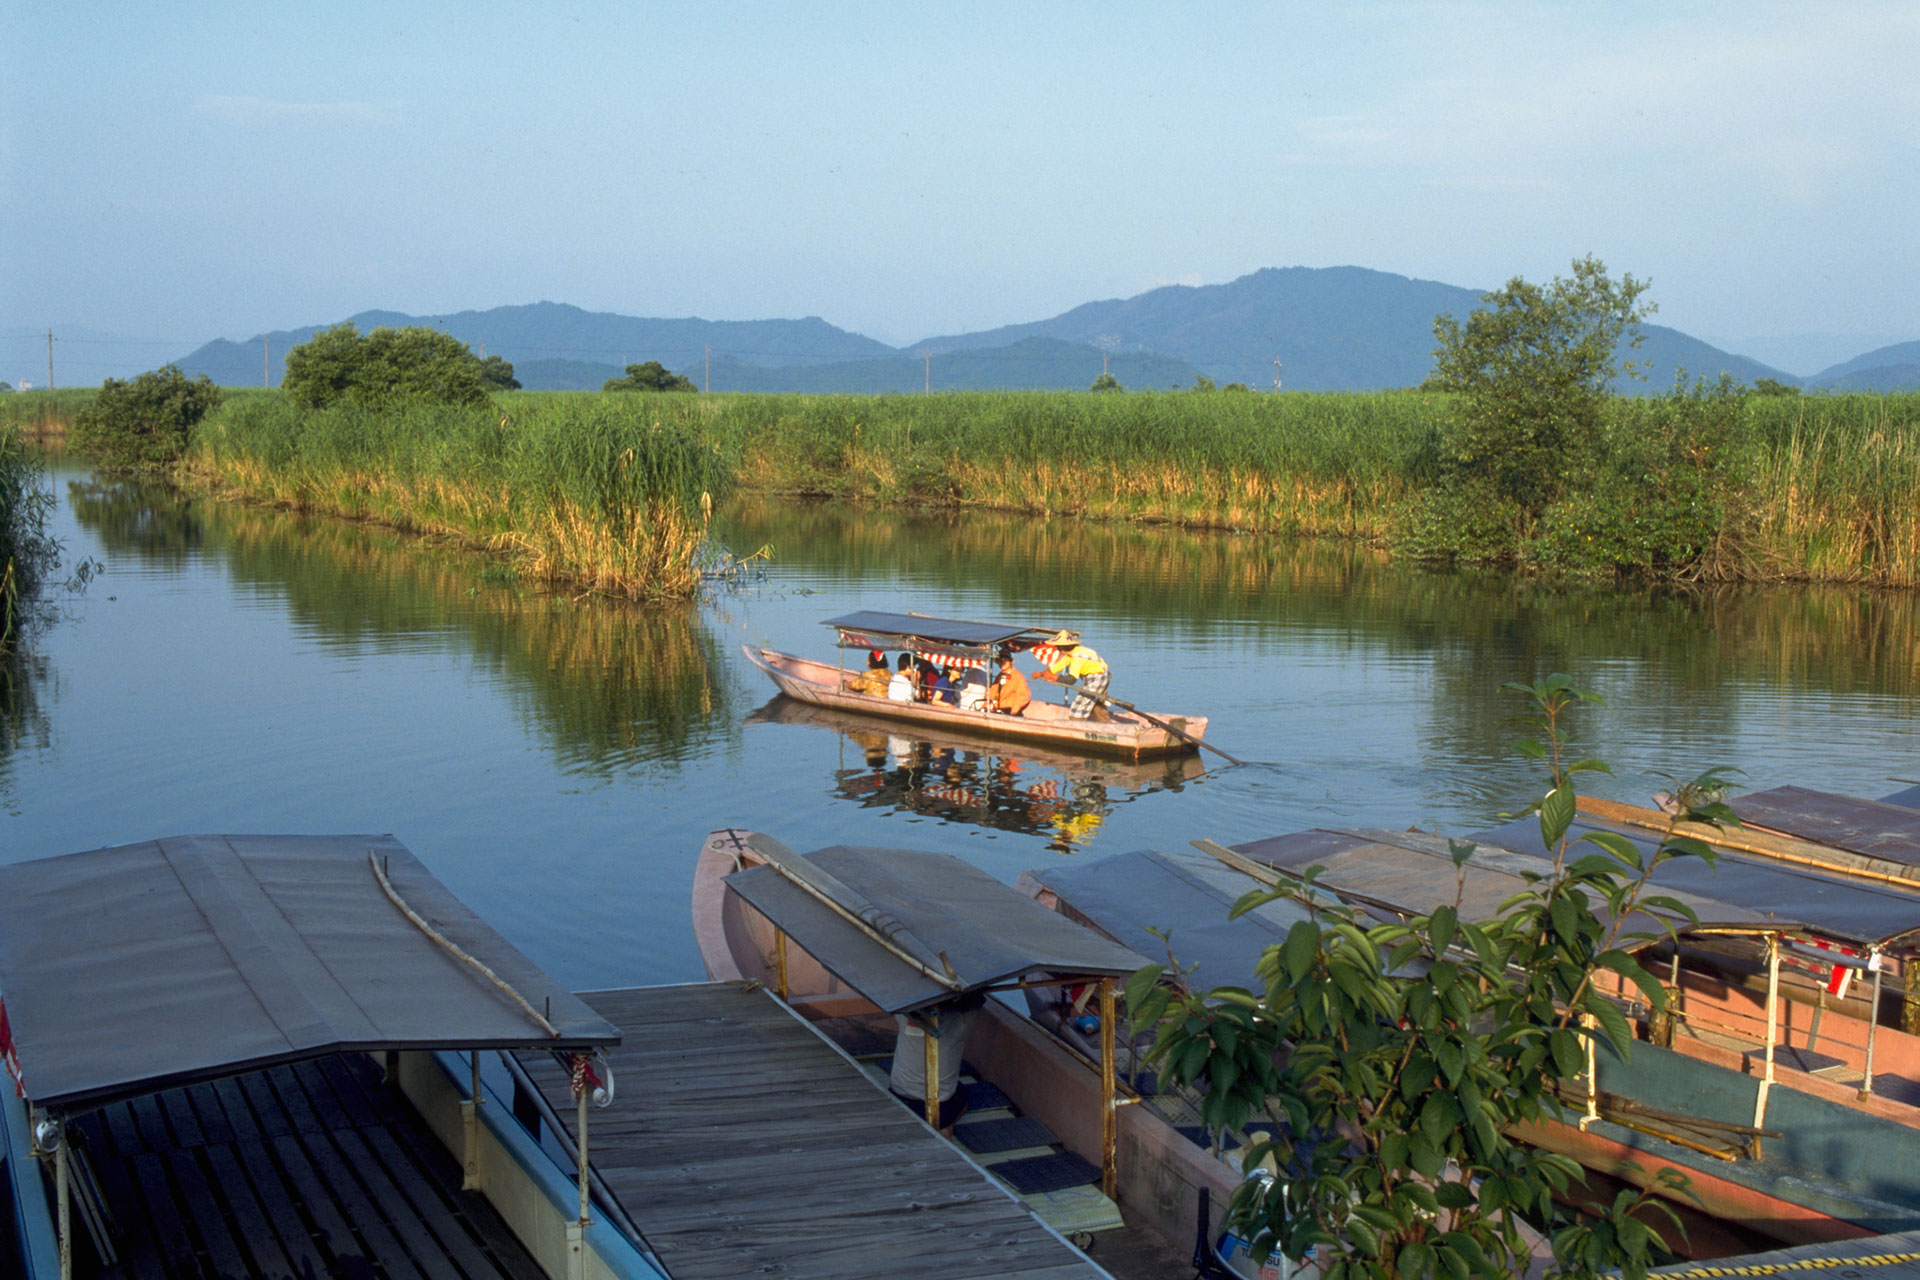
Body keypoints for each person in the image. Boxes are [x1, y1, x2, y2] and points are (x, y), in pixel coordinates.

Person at [888, 992, 984, 1132]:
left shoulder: (906, 1014)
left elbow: (896, 996)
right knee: (963, 1093)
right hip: (939, 1109)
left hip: (897, 1097)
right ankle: (945, 1127)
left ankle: (941, 1127)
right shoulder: (961, 1019)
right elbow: (976, 999)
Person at [1033, 630, 1110, 721]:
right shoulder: (1070, 655)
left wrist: (1052, 677)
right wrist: (1042, 674)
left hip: (1098, 678)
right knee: (1097, 706)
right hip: (1093, 677)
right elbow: (1056, 667)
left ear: (1061, 648)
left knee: (1078, 708)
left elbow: (1071, 680)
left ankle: (1078, 724)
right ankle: (1104, 724)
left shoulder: (1078, 656)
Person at [986, 651, 1031, 716]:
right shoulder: (999, 676)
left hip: (1009, 711)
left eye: (1005, 660)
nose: (1002, 662)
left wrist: (1015, 709)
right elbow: (992, 692)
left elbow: (1024, 696)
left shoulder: (1017, 676)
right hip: (997, 710)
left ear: (1010, 662)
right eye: (1000, 660)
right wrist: (988, 704)